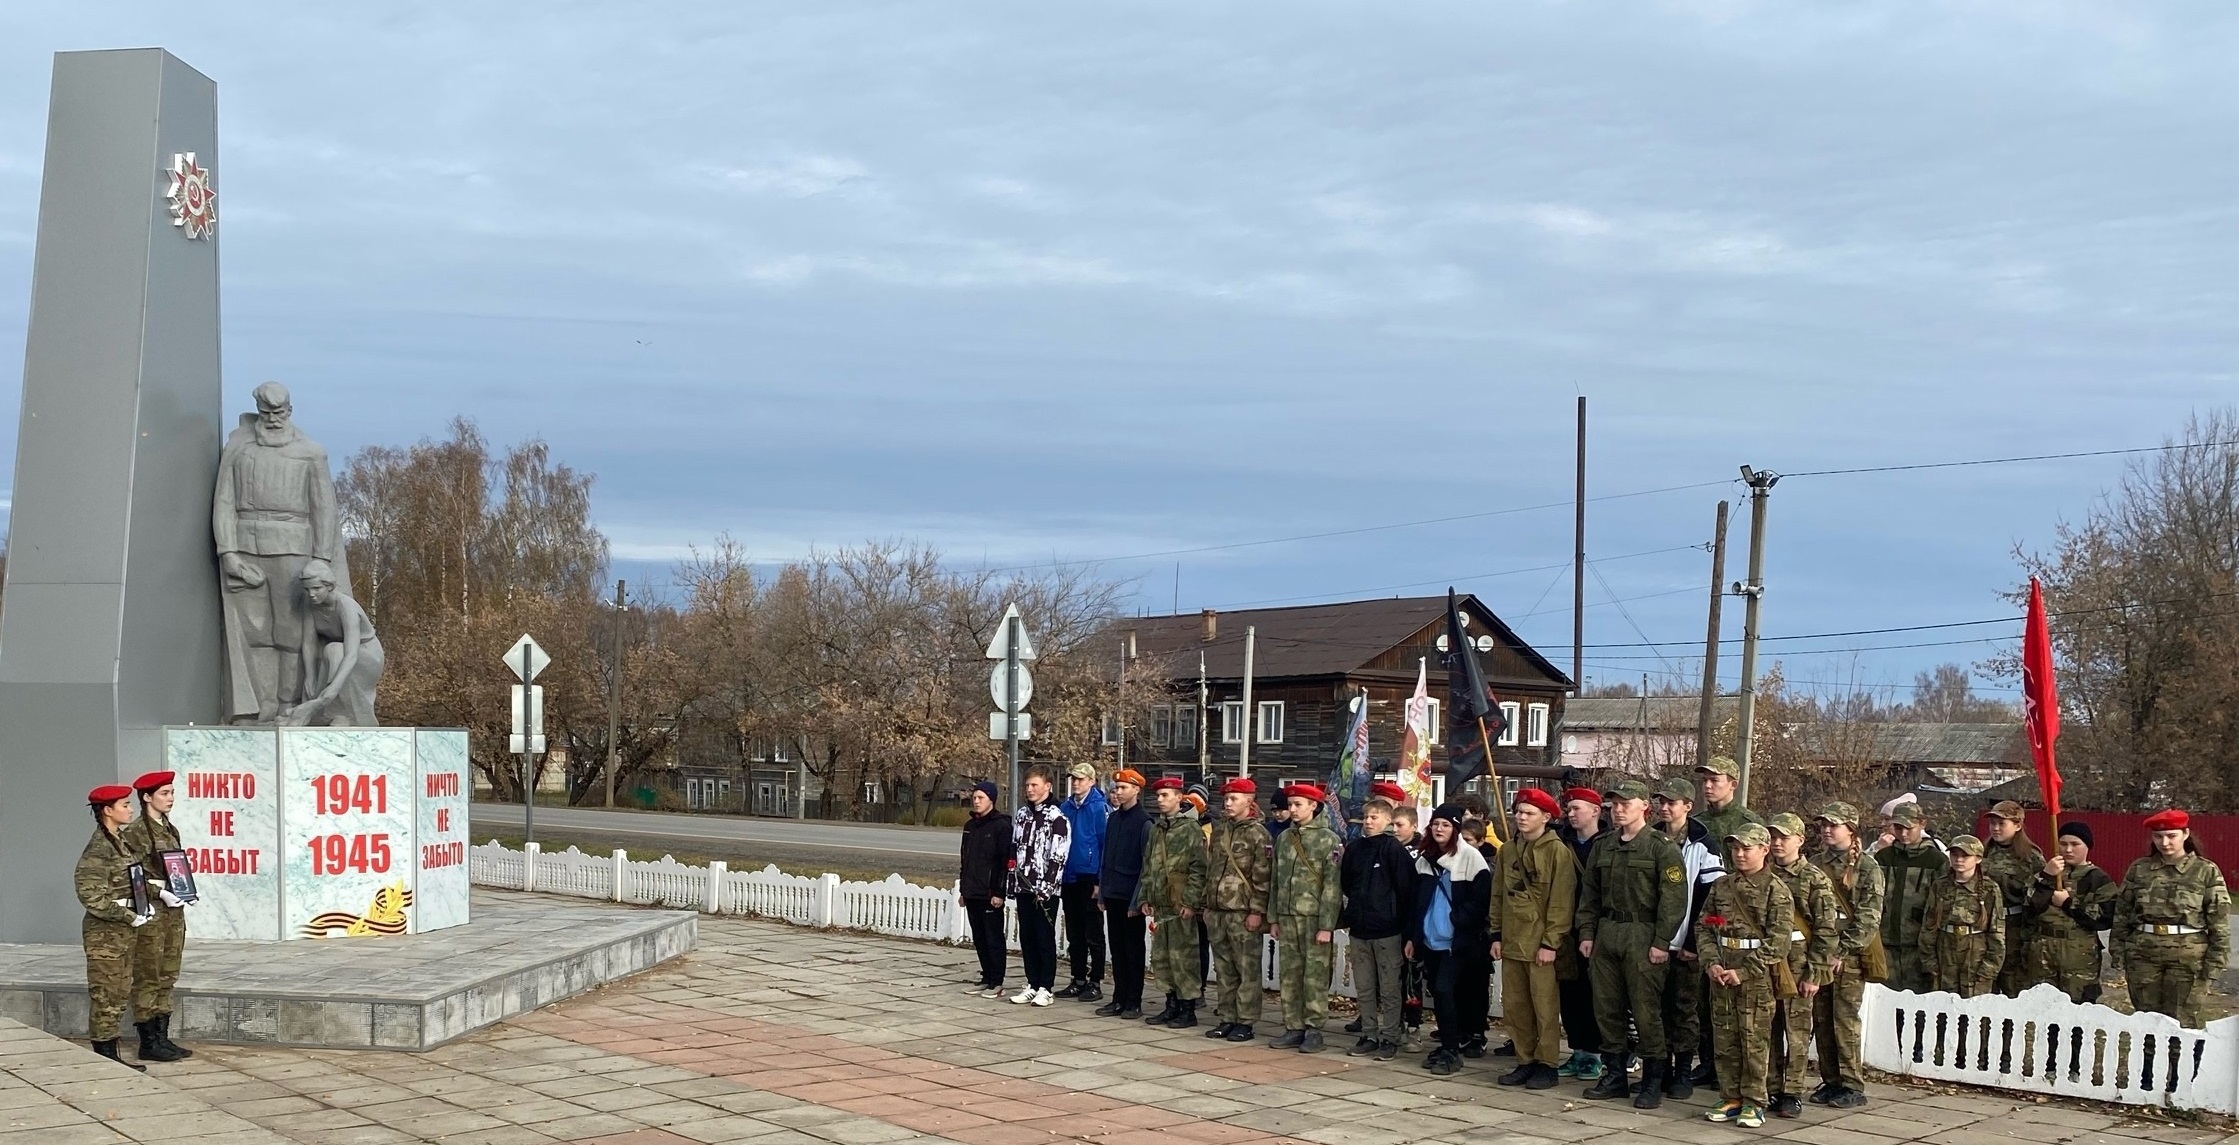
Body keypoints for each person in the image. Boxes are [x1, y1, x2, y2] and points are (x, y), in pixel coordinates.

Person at [1576, 780, 1685, 1108]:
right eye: (1614, 804)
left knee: (1645, 1009)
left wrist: (1662, 941)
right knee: (1607, 1007)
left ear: (1644, 807)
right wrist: (1587, 932)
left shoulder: (1660, 846)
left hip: (1643, 933)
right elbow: (1590, 893)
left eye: (1626, 803)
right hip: (1608, 931)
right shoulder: (1604, 845)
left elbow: (1674, 897)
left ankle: (1652, 1078)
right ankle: (1614, 1075)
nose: (1618, 809)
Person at [1698, 823, 1793, 1130]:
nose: (1739, 854)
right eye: (1735, 848)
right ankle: (1730, 1096)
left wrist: (1744, 971)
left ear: (1764, 850)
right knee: (1725, 1037)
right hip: (1721, 972)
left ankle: (1754, 1101)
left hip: (1755, 978)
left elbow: (1778, 942)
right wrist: (1711, 963)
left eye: (1746, 848)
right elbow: (1704, 926)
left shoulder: (1776, 891)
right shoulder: (1722, 886)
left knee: (1754, 1039)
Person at [2113, 809, 2232, 1028]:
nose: (2164, 842)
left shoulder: (2205, 871)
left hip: (2187, 958)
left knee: (2182, 1021)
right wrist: (2118, 950)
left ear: (2185, 834)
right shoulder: (2140, 869)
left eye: (2171, 836)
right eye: (2158, 836)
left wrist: (2215, 963)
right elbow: (2122, 913)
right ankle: (2149, 1063)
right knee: (2146, 1021)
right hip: (2143, 955)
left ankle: (2182, 1063)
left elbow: (2219, 921)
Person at [1490, 787, 1575, 1090]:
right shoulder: (1507, 850)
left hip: (1540, 944)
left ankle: (1547, 1063)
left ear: (1547, 817)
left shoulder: (1556, 852)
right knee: (1515, 1006)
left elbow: (1561, 901)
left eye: (1528, 813)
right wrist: (1496, 933)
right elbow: (1498, 894)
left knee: (1544, 1008)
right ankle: (1524, 1060)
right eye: (1518, 812)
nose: (1521, 817)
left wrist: (1551, 942)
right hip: (1513, 940)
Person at [1651, 776, 1724, 1101]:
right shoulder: (1650, 838)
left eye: (1671, 802)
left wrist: (1695, 944)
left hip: (1687, 945)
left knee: (1683, 1009)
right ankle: (1659, 1068)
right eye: (1661, 802)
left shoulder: (1705, 845)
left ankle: (1682, 1070)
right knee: (1653, 1008)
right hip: (1654, 942)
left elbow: (1713, 901)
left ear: (1687, 806)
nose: (1664, 808)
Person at [1689, 757, 1758, 1091]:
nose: (1708, 786)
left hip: (1738, 921)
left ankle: (1740, 1069)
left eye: (1715, 780)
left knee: (1740, 1004)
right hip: (1705, 919)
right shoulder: (1697, 824)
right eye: (1704, 781)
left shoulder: (1747, 822)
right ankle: (1709, 1062)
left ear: (1733, 783)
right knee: (1704, 1000)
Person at [1406, 803, 1491, 1075]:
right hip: (1431, 940)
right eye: (1435, 824)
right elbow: (1416, 902)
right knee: (1439, 993)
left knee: (1445, 989)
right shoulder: (1425, 859)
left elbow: (1480, 901)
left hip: (1457, 941)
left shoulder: (1471, 858)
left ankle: (1453, 1050)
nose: (1439, 829)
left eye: (1445, 825)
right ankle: (1447, 1044)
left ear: (1455, 829)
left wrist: (1458, 921)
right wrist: (1413, 936)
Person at [1809, 802, 1883, 1110]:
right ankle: (1831, 1080)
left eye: (1833, 825)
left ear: (1851, 831)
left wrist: (1842, 951)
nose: (1826, 830)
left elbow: (1868, 917)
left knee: (1844, 1020)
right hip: (1817, 953)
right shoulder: (1814, 862)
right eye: (1823, 824)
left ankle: (1852, 1083)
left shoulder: (1867, 868)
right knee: (1822, 1018)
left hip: (1848, 957)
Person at [1765, 812, 1838, 1120]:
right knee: (1766, 1029)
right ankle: (1769, 1086)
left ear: (1799, 840)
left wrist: (1816, 972)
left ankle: (1792, 1092)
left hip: (1798, 964)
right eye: (1774, 837)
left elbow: (1826, 929)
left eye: (1784, 837)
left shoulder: (1814, 878)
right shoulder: (1761, 873)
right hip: (1766, 961)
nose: (1778, 843)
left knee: (1796, 1032)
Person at [76, 784, 153, 1070]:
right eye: (124, 805)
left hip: (123, 932)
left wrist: (144, 903)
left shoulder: (119, 842)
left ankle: (110, 1054)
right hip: (105, 935)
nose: (130, 809)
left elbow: (132, 880)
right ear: (107, 811)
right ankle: (104, 1055)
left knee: (120, 991)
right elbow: (90, 894)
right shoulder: (99, 848)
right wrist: (126, 915)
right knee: (107, 993)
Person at [120, 772, 191, 1062]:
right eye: (164, 793)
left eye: (172, 792)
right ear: (147, 797)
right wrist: (159, 892)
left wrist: (185, 889)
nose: (170, 798)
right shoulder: (137, 831)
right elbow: (131, 874)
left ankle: (162, 1036)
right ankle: (148, 1040)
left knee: (168, 972)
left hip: (173, 913)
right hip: (152, 912)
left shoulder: (169, 828)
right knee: (149, 974)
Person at [1340, 796, 1415, 1060]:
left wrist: (1398, 920)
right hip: (1360, 929)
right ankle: (1369, 1033)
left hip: (1387, 930)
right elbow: (1346, 882)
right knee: (1364, 986)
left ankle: (1391, 1036)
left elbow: (1405, 888)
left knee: (1390, 987)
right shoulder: (1355, 848)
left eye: (1375, 818)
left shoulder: (1393, 850)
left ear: (1387, 820)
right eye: (1366, 817)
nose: (1368, 822)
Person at [1270, 784, 1344, 1053]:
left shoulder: (1328, 839)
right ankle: (1293, 1026)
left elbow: (1332, 886)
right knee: (1289, 974)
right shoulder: (1284, 838)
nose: (1292, 810)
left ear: (1314, 805)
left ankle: (1314, 1028)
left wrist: (1327, 925)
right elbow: (1276, 880)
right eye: (1290, 805)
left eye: (1298, 804)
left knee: (1314, 975)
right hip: (1288, 915)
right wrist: (1273, 917)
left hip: (1314, 918)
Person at [1203, 777, 1273, 1041]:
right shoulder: (1221, 831)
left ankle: (1246, 1021)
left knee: (1247, 969)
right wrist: (1207, 904)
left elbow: (1263, 875)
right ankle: (1227, 1017)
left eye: (1234, 798)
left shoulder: (1258, 834)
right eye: (1226, 798)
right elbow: (1212, 868)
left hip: (1242, 912)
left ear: (1249, 801)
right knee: (1224, 968)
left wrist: (1257, 911)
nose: (1228, 803)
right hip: (1218, 910)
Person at [1137, 778, 1207, 1026]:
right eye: (1158, 796)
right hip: (1161, 903)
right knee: (1162, 957)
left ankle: (1188, 1009)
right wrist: (1146, 895)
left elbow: (1199, 868)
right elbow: (1149, 864)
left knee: (1184, 957)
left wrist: (1190, 901)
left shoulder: (1190, 829)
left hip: (1179, 904)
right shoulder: (1157, 829)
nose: (1160, 800)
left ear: (1179, 798)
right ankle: (1171, 1003)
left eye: (1166, 795)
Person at [279, 559, 383, 726]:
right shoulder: (311, 604)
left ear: (330, 586)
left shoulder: (347, 607)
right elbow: (309, 643)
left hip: (366, 654)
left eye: (316, 588)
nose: (311, 594)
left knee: (333, 650)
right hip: (339, 653)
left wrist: (333, 689)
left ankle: (342, 715)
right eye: (307, 590)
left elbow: (351, 654)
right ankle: (317, 713)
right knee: (328, 653)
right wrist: (310, 676)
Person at [2025, 822, 2116, 1005]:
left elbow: (2104, 917)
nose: (2068, 849)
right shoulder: (2046, 874)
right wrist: (2046, 876)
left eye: (2075, 844)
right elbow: (2029, 906)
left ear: (2087, 846)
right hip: (2044, 949)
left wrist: (2068, 903)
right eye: (2063, 843)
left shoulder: (2098, 878)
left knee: (2078, 1004)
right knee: (2043, 1004)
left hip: (2079, 952)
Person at [1555, 786, 1606, 1081]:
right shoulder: (1563, 843)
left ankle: (1596, 1054)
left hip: (1599, 928)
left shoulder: (1609, 842)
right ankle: (1577, 1050)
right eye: (1569, 809)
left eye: (1577, 808)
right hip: (1567, 927)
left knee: (1595, 993)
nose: (1571, 814)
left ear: (1595, 811)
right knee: (1570, 992)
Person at [1009, 768, 1073, 1006]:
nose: (1029, 789)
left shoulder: (1057, 818)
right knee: (1027, 936)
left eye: (1034, 785)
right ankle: (1032, 982)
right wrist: (1013, 881)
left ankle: (1046, 986)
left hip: (1044, 891)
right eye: (1027, 785)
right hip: (1024, 886)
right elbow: (1015, 848)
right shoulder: (1023, 815)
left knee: (1044, 937)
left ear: (1048, 786)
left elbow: (1058, 857)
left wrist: (1046, 888)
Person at [1096, 769, 1154, 1018]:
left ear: (1136, 790)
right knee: (1117, 949)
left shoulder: (1144, 822)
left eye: (1123, 788)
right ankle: (1118, 997)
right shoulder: (1114, 819)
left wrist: (1138, 899)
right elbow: (1106, 859)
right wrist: (1102, 892)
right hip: (1113, 893)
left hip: (1131, 896)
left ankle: (1133, 1000)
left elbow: (1146, 865)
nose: (1118, 793)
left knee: (1133, 949)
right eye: (1116, 788)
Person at [1874, 802, 1947, 993]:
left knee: (1920, 1005)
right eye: (1898, 828)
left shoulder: (1937, 861)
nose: (1903, 834)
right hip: (1886, 944)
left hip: (1919, 947)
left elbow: (1943, 906)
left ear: (1922, 824)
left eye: (1908, 828)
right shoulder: (1883, 858)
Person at [1921, 835, 2003, 998]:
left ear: (1978, 858)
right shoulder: (1940, 885)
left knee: (1975, 1007)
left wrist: (1989, 967)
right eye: (1955, 855)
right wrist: (1929, 960)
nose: (1959, 859)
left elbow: (1997, 931)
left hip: (1975, 950)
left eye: (1965, 856)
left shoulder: (1989, 888)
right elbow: (1929, 925)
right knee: (1943, 1003)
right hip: (1946, 948)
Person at [1057, 763, 1111, 1002]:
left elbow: (1104, 844)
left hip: (1089, 877)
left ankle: (1095, 981)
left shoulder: (1099, 808)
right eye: (1074, 780)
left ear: (1091, 781)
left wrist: (1100, 880)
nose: (1076, 784)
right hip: (1069, 876)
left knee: (1093, 933)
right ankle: (1077, 978)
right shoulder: (1066, 807)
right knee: (1074, 932)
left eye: (1080, 779)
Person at [1979, 801, 2043, 996]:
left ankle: (2009, 1027)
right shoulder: (1982, 851)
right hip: (1984, 923)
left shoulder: (2030, 857)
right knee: (1984, 980)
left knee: (2011, 983)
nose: (1996, 828)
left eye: (2002, 823)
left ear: (2017, 825)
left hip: (2013, 926)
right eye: (1993, 823)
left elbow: (2040, 896)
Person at [959, 781, 1013, 998]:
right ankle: (987, 976)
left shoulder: (1001, 826)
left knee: (993, 937)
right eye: (975, 797)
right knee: (979, 937)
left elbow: (1003, 862)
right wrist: (964, 889)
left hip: (990, 893)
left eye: (981, 798)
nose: (977, 801)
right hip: (972, 890)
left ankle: (997, 981)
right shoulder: (970, 827)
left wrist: (999, 892)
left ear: (991, 799)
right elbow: (965, 859)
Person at [1389, 800, 1427, 1043]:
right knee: (1392, 976)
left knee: (1413, 976)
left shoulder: (1421, 852)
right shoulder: (1389, 847)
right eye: (1392, 824)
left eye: (1399, 825)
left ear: (1413, 825)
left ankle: (1413, 1024)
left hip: (1413, 921)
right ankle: (1395, 1022)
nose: (1394, 829)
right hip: (1391, 920)